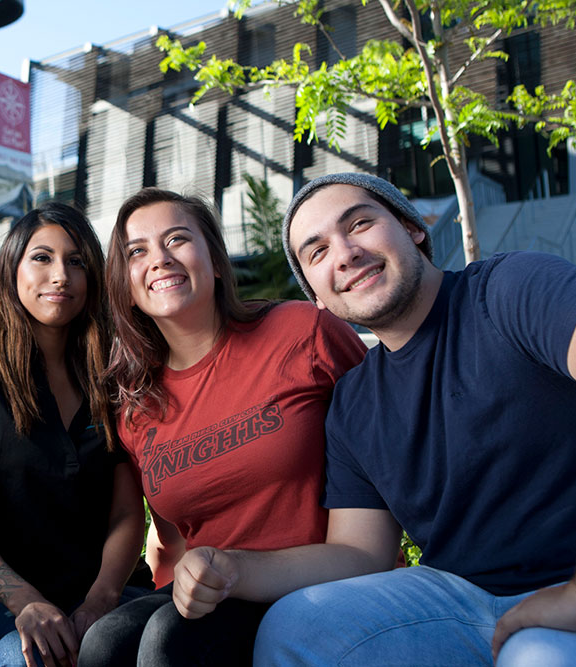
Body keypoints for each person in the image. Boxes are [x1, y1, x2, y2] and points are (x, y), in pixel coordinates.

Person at [172, 172, 576, 666]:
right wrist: (234, 568)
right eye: (317, 252)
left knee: (537, 655)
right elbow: (359, 554)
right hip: (459, 598)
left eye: (360, 223)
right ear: (317, 298)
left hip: (572, 579)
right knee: (295, 628)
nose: (345, 253)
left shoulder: (510, 289)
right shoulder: (354, 402)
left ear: (412, 227)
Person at [77, 188, 366, 667]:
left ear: (214, 260)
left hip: (319, 578)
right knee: (105, 645)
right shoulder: (135, 406)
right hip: (214, 585)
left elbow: (389, 438)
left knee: (171, 640)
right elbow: (171, 535)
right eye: (137, 252)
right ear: (124, 285)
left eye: (177, 239)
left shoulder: (302, 332)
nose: (160, 259)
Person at [0, 203, 146, 667]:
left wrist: (100, 600)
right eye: (42, 258)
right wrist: (25, 601)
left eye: (77, 261)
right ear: (11, 271)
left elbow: (127, 512)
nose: (61, 275)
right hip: (0, 604)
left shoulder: (113, 375)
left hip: (107, 592)